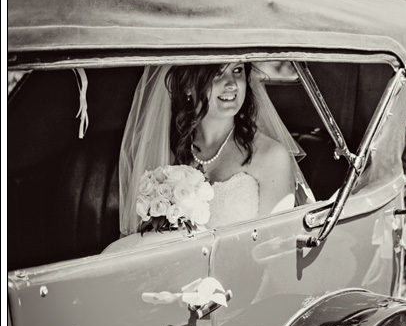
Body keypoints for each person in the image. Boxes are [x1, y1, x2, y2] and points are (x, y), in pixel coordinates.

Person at [113, 61, 313, 244]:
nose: (232, 84)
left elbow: (275, 244)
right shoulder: (167, 150)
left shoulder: (271, 155)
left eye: (237, 71)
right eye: (216, 74)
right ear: (188, 86)